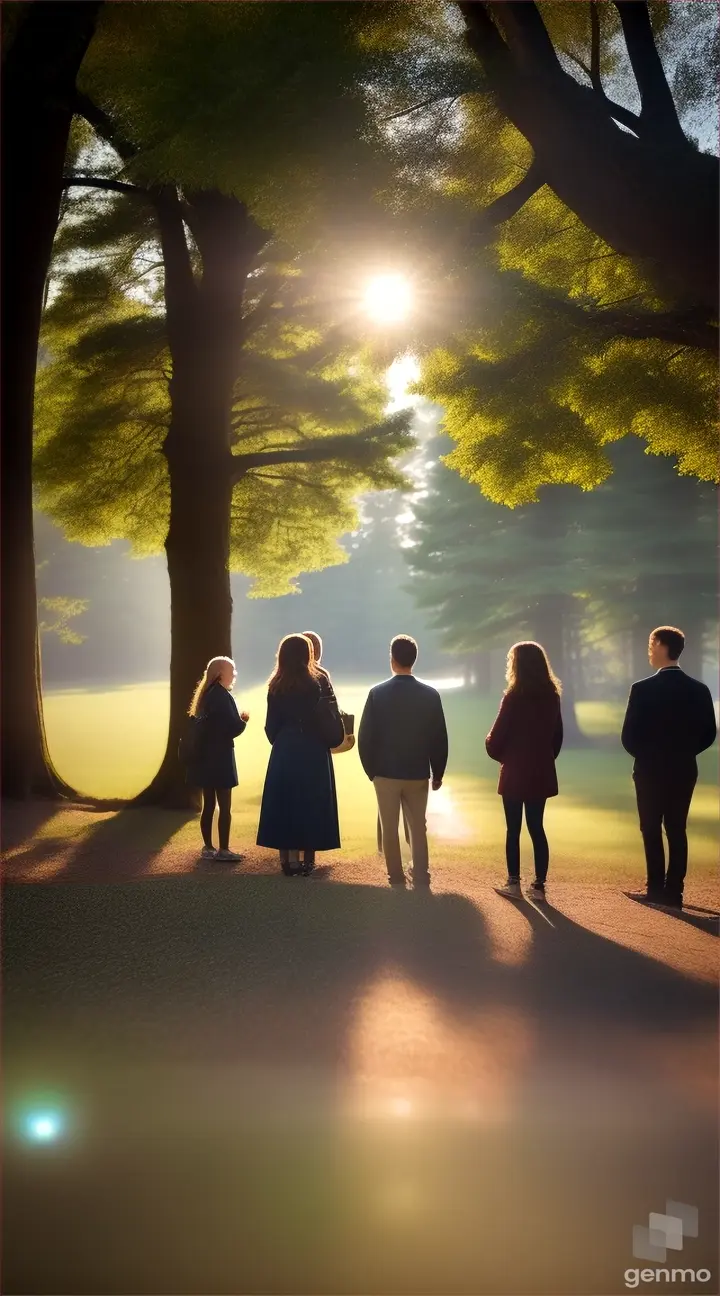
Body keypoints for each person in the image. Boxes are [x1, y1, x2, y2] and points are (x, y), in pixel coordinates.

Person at [621, 625, 717, 910]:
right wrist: (684, 752)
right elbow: (709, 733)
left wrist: (647, 756)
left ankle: (654, 888)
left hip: (649, 769)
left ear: (661, 646)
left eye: (652, 646)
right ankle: (674, 892)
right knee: (676, 828)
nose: (649, 652)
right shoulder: (699, 690)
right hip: (683, 768)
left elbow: (629, 736)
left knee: (650, 827)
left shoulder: (642, 689)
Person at [358, 635, 448, 888]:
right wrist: (437, 772)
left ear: (392, 659)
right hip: (417, 771)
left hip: (385, 772)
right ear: (414, 659)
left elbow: (366, 736)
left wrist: (371, 771)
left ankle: (395, 875)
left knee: (389, 826)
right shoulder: (430, 695)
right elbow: (439, 737)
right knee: (418, 826)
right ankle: (421, 873)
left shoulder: (377, 693)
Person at [257, 634, 344, 876]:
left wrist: (282, 739)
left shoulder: (275, 686)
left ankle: (288, 860)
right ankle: (309, 859)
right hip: (314, 748)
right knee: (311, 801)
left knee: (286, 802)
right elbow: (332, 715)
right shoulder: (319, 683)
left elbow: (270, 727)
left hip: (286, 748)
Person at [486, 641, 563, 901]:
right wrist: (543, 757)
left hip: (515, 771)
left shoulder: (513, 697)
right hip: (540, 770)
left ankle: (513, 883)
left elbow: (495, 740)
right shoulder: (552, 697)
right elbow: (557, 737)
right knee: (537, 827)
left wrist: (501, 755)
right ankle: (539, 886)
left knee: (513, 829)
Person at [187, 656, 249, 862]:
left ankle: (208, 847)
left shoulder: (206, 695)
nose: (234, 675)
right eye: (232, 671)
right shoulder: (222, 696)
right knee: (225, 806)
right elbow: (231, 728)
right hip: (220, 757)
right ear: (221, 673)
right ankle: (223, 849)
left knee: (209, 805)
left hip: (205, 757)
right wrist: (244, 721)